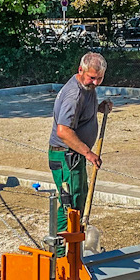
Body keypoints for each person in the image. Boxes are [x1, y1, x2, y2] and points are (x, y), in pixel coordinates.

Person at [48, 52, 113, 237]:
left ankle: (75, 248)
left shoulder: (87, 88)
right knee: (70, 205)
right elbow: (63, 131)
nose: (96, 83)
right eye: (92, 78)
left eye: (100, 78)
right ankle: (61, 252)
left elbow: (81, 115)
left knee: (79, 199)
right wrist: (88, 153)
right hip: (66, 156)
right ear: (80, 70)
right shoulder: (74, 94)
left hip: (75, 156)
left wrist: (98, 108)